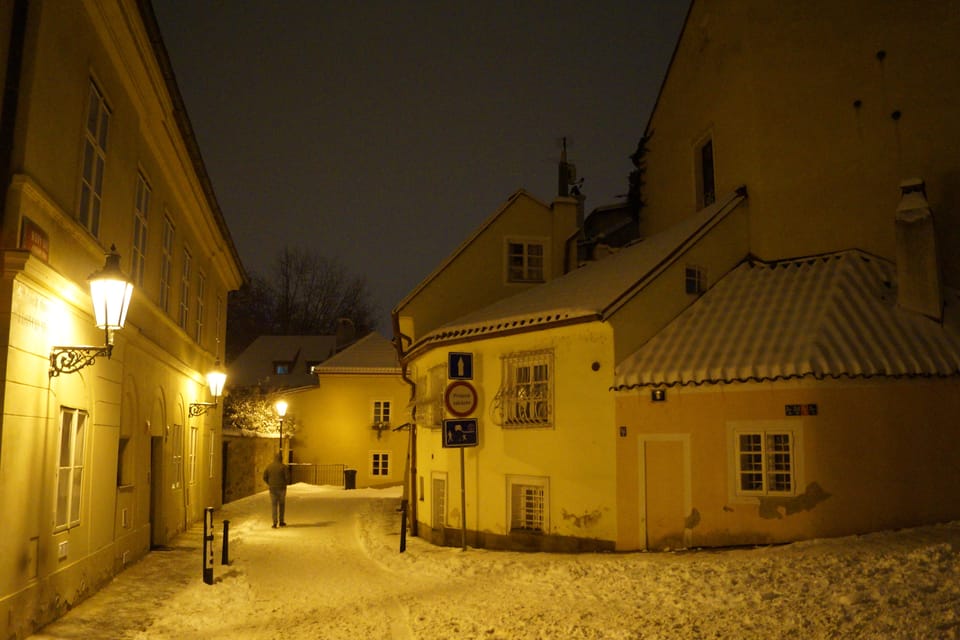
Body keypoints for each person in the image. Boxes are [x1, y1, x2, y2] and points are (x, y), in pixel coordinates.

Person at [263, 452, 289, 528]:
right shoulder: (284, 467)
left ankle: (274, 522)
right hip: (282, 489)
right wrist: (284, 483)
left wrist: (269, 483)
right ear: (281, 458)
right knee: (281, 505)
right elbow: (287, 478)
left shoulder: (269, 467)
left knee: (274, 505)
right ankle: (281, 521)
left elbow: (264, 477)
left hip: (272, 489)